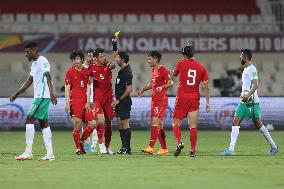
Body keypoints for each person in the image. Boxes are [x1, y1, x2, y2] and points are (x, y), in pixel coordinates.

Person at [220, 49, 279, 156]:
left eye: (241, 56)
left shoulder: (252, 69)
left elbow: (256, 85)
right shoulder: (247, 69)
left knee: (245, 122)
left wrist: (247, 95)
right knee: (249, 122)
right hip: (249, 100)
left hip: (250, 101)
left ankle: (231, 150)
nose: (240, 57)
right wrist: (245, 94)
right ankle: (274, 147)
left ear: (246, 57)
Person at [10, 42, 57, 161]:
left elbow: (48, 76)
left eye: (27, 52)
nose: (26, 54)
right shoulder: (34, 64)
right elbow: (29, 81)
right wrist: (16, 94)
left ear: (34, 50)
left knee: (29, 119)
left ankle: (28, 152)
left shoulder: (43, 61)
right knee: (44, 123)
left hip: (42, 96)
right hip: (40, 96)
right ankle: (50, 154)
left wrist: (52, 93)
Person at [172, 45, 210, 157]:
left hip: (182, 97)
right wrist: (207, 103)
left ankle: (179, 142)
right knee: (192, 126)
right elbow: (206, 87)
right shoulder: (201, 68)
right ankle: (193, 150)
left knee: (176, 123)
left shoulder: (180, 63)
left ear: (184, 54)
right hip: (194, 98)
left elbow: (174, 74)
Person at [138, 51, 173, 155]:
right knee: (159, 125)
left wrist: (162, 87)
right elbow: (152, 83)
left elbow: (170, 83)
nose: (148, 61)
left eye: (149, 59)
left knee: (154, 122)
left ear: (155, 59)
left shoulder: (163, 70)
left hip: (161, 100)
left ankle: (151, 147)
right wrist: (143, 89)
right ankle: (164, 148)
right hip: (154, 100)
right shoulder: (153, 70)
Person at [65, 50, 97, 155]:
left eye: (77, 59)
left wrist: (88, 102)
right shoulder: (69, 72)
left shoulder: (86, 72)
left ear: (82, 60)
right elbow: (67, 89)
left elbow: (88, 88)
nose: (75, 61)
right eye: (74, 59)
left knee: (93, 124)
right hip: (75, 102)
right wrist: (67, 103)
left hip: (85, 102)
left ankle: (81, 141)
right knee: (77, 126)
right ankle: (79, 148)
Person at [89, 48, 116, 154]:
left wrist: (112, 65)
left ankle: (107, 146)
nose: (104, 58)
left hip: (109, 99)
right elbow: (85, 74)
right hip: (97, 100)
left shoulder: (108, 65)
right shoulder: (91, 68)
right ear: (96, 58)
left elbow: (113, 65)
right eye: (101, 56)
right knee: (100, 121)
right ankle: (101, 146)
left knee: (109, 123)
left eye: (104, 56)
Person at [111, 35, 133, 154]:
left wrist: (118, 100)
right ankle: (123, 147)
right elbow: (115, 55)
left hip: (124, 101)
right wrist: (114, 44)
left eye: (118, 58)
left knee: (125, 123)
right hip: (119, 101)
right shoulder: (122, 69)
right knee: (120, 123)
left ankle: (127, 148)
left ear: (123, 60)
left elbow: (129, 89)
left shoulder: (127, 72)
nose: (116, 59)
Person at [82, 49, 98, 153]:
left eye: (92, 56)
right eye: (89, 56)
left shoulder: (98, 67)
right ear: (86, 57)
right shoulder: (82, 67)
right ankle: (86, 144)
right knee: (85, 124)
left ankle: (93, 145)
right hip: (85, 100)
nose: (91, 58)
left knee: (96, 123)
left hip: (96, 99)